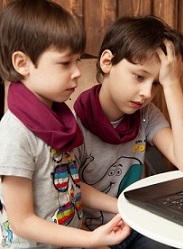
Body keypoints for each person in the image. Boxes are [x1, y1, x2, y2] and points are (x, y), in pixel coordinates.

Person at [0, 0, 130, 248]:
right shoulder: (15, 134)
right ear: (22, 63)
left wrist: (121, 206)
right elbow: (22, 221)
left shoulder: (60, 120)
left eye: (77, 61)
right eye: (64, 63)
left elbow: (70, 184)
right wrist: (90, 239)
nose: (78, 72)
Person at [74, 15, 183, 249]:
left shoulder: (146, 114)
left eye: (155, 84)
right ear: (107, 62)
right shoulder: (72, 121)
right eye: (139, 77)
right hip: (87, 232)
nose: (146, 93)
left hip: (136, 227)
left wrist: (172, 84)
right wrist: (125, 206)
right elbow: (72, 186)